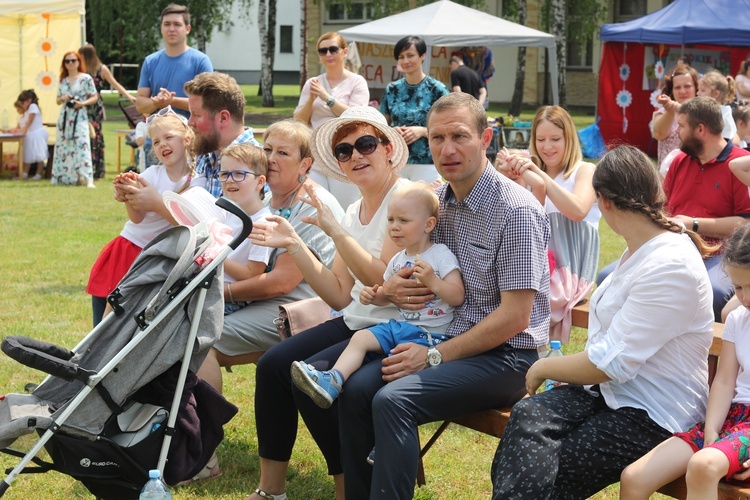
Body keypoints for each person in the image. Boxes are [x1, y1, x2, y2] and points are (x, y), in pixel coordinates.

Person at [320, 93, 549, 499]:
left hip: (508, 356)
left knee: (393, 400)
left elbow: (515, 317)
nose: (447, 149)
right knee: (355, 389)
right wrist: (391, 291)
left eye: (459, 136)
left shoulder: (515, 211)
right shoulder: (437, 203)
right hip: (440, 336)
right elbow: (411, 274)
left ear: (486, 138)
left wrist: (434, 355)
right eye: (438, 137)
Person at [491, 145, 716, 499]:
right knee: (527, 416)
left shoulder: (670, 264)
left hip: (653, 413)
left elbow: (613, 363)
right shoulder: (642, 247)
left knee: (554, 465)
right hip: (609, 394)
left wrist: (544, 367)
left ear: (604, 202)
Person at [244, 106, 410, 500]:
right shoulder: (355, 208)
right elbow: (338, 292)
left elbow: (380, 278)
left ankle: (346, 488)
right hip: (356, 320)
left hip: (389, 331)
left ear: (387, 148)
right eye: (344, 150)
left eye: (365, 144)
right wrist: (295, 244)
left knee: (308, 378)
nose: (355, 155)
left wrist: (335, 232)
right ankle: (272, 490)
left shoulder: (403, 199)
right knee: (272, 366)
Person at [196, 118, 344, 389]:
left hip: (301, 307)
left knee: (202, 338)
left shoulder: (312, 205)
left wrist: (222, 294)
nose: (271, 159)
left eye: (282, 153)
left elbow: (282, 282)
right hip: (260, 299)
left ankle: (203, 427)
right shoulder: (263, 199)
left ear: (305, 165)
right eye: (267, 150)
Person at [290, 182, 464, 409]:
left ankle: (339, 385)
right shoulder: (397, 259)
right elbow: (388, 297)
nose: (394, 227)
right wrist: (375, 296)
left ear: (428, 224)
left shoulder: (440, 254)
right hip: (401, 328)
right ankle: (332, 380)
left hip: (432, 336)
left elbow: (457, 296)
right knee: (360, 338)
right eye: (390, 220)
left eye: (404, 220)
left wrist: (434, 282)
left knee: (370, 362)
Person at [619, 224, 750, 499]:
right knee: (633, 477)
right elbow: (724, 381)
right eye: (738, 287)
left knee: (703, 464)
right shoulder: (739, 320)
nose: (745, 297)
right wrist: (712, 430)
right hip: (730, 419)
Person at [598, 97, 750, 322]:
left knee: (714, 293)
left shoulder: (739, 163)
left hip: (719, 255)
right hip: (672, 248)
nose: (676, 131)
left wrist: (692, 222)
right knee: (606, 277)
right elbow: (662, 207)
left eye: (681, 125)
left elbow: (744, 224)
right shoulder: (679, 161)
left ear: (700, 129)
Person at [86, 108, 204, 326]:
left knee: (131, 320)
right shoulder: (151, 174)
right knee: (103, 317)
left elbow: (188, 221)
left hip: (155, 257)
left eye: (169, 137)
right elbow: (137, 218)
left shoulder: (197, 181)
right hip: (127, 249)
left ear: (187, 138)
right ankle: (90, 356)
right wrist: (126, 195)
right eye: (156, 141)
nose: (162, 145)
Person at [498, 105, 599, 343]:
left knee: (522, 302)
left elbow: (578, 210)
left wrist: (538, 175)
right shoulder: (533, 174)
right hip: (537, 264)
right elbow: (519, 223)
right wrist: (511, 178)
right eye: (540, 139)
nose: (547, 147)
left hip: (570, 269)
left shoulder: (584, 171)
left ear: (569, 139)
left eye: (555, 139)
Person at [294, 31, 369, 210]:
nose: (328, 54)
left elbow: (356, 116)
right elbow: (299, 120)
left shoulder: (357, 82)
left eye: (333, 49)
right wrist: (312, 99)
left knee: (344, 209)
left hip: (345, 156)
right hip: (316, 156)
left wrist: (327, 97)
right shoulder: (312, 83)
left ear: (344, 52)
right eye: (323, 51)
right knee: (315, 208)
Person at [380, 35, 449, 183]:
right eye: (401, 57)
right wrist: (392, 131)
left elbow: (450, 125)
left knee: (427, 205)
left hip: (427, 162)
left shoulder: (437, 90)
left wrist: (423, 131)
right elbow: (381, 125)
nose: (405, 61)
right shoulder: (392, 89)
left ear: (422, 56)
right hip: (396, 160)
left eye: (410, 55)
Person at [215, 143, 273, 315]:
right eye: (224, 174)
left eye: (239, 174)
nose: (230, 180)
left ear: (260, 182)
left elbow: (252, 274)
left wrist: (214, 258)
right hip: (209, 287)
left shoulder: (264, 223)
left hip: (230, 301)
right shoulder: (227, 213)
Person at [184, 71, 261, 198]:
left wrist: (156, 205)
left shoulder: (257, 164)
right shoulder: (203, 156)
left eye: (197, 115)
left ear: (223, 118)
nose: (190, 122)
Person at [136, 3, 213, 119]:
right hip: (158, 135)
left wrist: (171, 101)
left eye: (177, 24)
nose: (171, 29)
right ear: (161, 28)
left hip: (192, 134)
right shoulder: (150, 62)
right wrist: (157, 102)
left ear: (187, 29)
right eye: (167, 24)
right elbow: (140, 105)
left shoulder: (201, 61)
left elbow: (208, 104)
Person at [79, 43, 137, 179]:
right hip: (82, 105)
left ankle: (97, 168)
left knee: (96, 135)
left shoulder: (101, 69)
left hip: (95, 108)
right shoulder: (81, 69)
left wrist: (129, 96)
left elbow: (115, 84)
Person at [51, 51, 98, 188]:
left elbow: (94, 97)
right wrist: (64, 98)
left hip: (80, 116)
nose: (70, 63)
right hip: (65, 117)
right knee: (64, 147)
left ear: (78, 62)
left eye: (73, 60)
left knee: (82, 145)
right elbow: (57, 100)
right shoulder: (63, 80)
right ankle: (66, 177)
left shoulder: (86, 78)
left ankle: (87, 178)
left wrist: (82, 103)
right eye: (67, 61)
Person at [651, 61, 698, 166]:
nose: (682, 91)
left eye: (687, 86)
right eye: (677, 87)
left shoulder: (703, 112)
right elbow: (659, 134)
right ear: (671, 90)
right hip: (668, 175)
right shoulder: (663, 111)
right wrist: (670, 111)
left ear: (696, 88)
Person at [15, 89, 49, 181]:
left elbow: (30, 121)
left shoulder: (33, 107)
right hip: (31, 134)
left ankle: (38, 174)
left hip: (37, 134)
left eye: (22, 102)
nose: (22, 105)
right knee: (28, 155)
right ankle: (25, 173)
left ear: (29, 101)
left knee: (39, 155)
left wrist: (24, 130)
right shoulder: (27, 110)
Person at [697, 69, 739, 144]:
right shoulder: (704, 111)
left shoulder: (723, 114)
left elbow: (728, 140)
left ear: (716, 94)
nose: (698, 93)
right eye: (698, 90)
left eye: (703, 90)